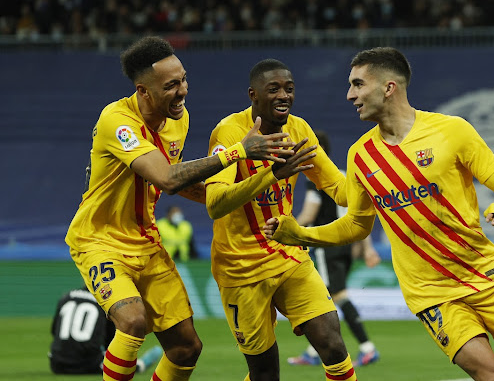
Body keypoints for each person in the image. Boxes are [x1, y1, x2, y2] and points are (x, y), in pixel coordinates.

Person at [263, 47, 494, 381]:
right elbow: (356, 225)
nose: (350, 95)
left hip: (486, 275)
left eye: (357, 84)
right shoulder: (360, 156)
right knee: (491, 376)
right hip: (431, 294)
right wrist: (299, 234)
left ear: (388, 87)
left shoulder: (452, 131)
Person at [64, 36, 295, 381]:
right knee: (133, 322)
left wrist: (229, 197)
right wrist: (236, 152)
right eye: (171, 85)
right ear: (143, 91)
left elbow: (177, 180)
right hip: (99, 242)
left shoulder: (178, 120)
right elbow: (167, 178)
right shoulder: (118, 122)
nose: (183, 90)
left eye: (184, 79)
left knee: (186, 349)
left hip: (146, 242)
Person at [204, 59, 358, 381]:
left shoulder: (300, 130)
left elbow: (339, 189)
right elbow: (215, 204)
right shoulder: (231, 132)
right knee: (265, 373)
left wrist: (376, 180)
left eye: (289, 89)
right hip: (240, 267)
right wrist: (273, 174)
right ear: (253, 95)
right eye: (273, 89)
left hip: (287, 255)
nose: (283, 95)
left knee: (332, 345)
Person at [287, 130, 381, 367]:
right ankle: (313, 352)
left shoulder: (314, 180)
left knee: (334, 296)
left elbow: (309, 214)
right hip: (347, 246)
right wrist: (367, 247)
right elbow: (360, 214)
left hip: (327, 245)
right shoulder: (342, 175)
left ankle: (367, 348)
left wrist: (286, 231)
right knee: (327, 298)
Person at [49, 287, 163, 375]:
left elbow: (54, 331)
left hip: (57, 363)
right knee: (120, 367)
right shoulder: (105, 303)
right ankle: (141, 365)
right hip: (88, 363)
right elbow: (111, 341)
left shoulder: (66, 297)